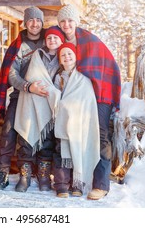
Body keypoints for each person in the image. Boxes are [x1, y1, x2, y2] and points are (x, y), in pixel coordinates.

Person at [56, 4, 122, 200]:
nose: (66, 24)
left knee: (99, 134)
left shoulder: (90, 40)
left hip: (98, 94)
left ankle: (101, 184)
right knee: (71, 135)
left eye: (70, 20)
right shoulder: (59, 43)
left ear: (76, 22)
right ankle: (76, 180)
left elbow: (109, 67)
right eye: (62, 21)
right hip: (76, 97)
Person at [0, 6, 49, 192]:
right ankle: (2, 172)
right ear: (25, 23)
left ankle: (43, 172)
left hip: (44, 96)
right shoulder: (18, 45)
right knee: (8, 131)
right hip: (21, 94)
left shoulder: (49, 41)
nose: (34, 24)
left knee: (47, 134)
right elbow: (11, 74)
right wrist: (27, 86)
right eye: (31, 20)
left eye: (38, 20)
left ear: (42, 22)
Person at [14, 26, 64, 191]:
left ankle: (43, 175)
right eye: (49, 38)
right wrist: (36, 87)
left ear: (61, 40)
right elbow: (31, 75)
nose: (52, 41)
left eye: (56, 38)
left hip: (50, 105)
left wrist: (52, 92)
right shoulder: (38, 55)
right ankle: (25, 176)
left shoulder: (64, 57)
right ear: (45, 40)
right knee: (26, 140)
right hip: (31, 99)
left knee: (47, 141)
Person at [52, 43, 100, 198]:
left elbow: (87, 101)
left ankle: (77, 184)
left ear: (76, 56)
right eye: (63, 55)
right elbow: (55, 97)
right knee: (62, 153)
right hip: (62, 120)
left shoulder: (83, 78)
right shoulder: (58, 78)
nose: (67, 57)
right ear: (60, 60)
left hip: (79, 122)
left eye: (69, 54)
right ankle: (61, 185)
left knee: (76, 152)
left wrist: (70, 106)